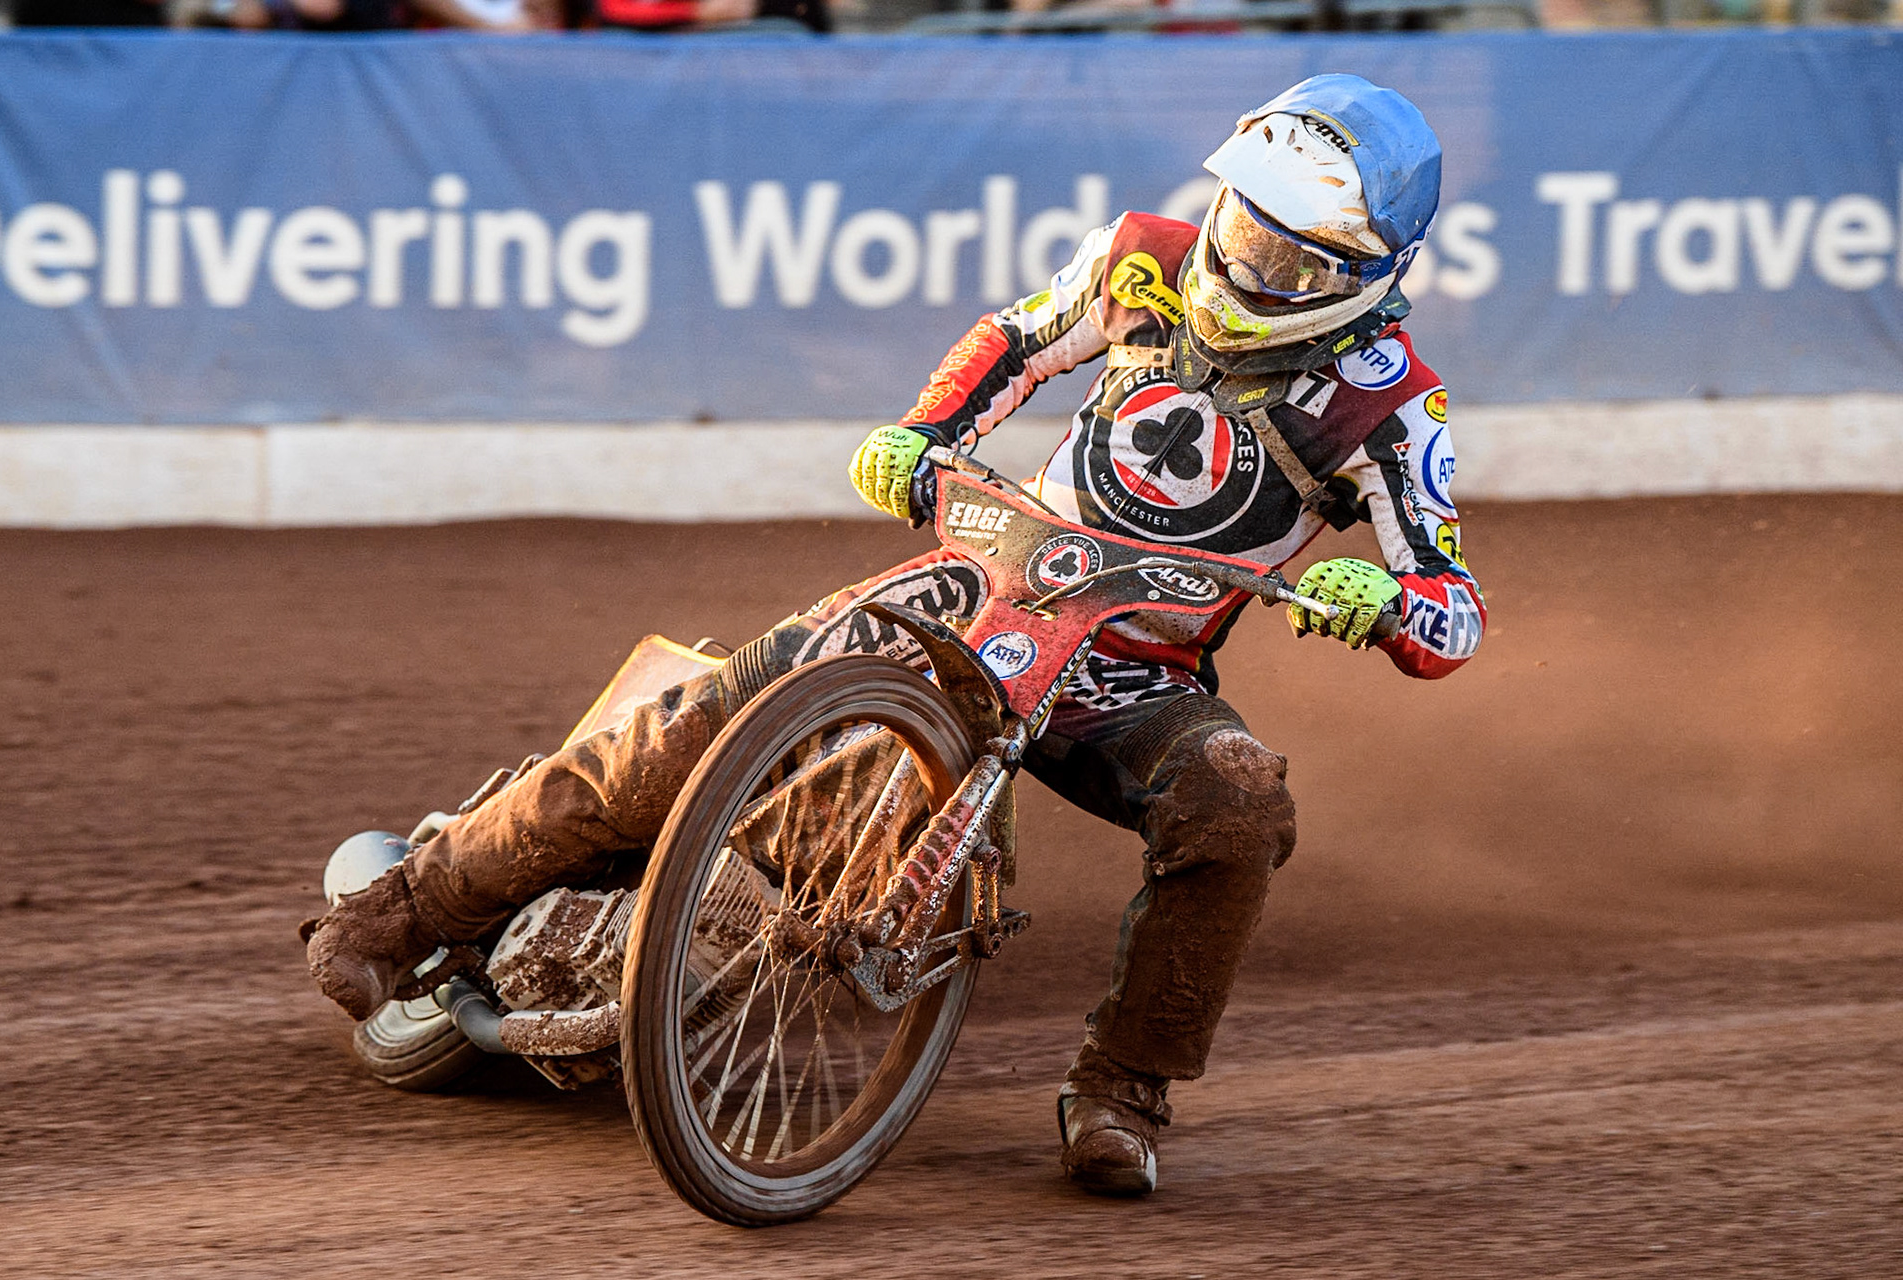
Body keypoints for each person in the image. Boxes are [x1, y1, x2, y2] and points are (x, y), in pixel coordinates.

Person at [304, 73, 1485, 1197]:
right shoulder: (1147, 256)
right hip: (986, 578)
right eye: (1239, 217)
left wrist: (1385, 605)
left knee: (1239, 802)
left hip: (1139, 673)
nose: (1244, 255)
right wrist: (920, 432)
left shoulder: (1395, 402)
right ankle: (400, 909)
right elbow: (1017, 340)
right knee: (720, 708)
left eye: (1285, 255)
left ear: (1364, 274)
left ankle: (1123, 1091)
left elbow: (1452, 607)